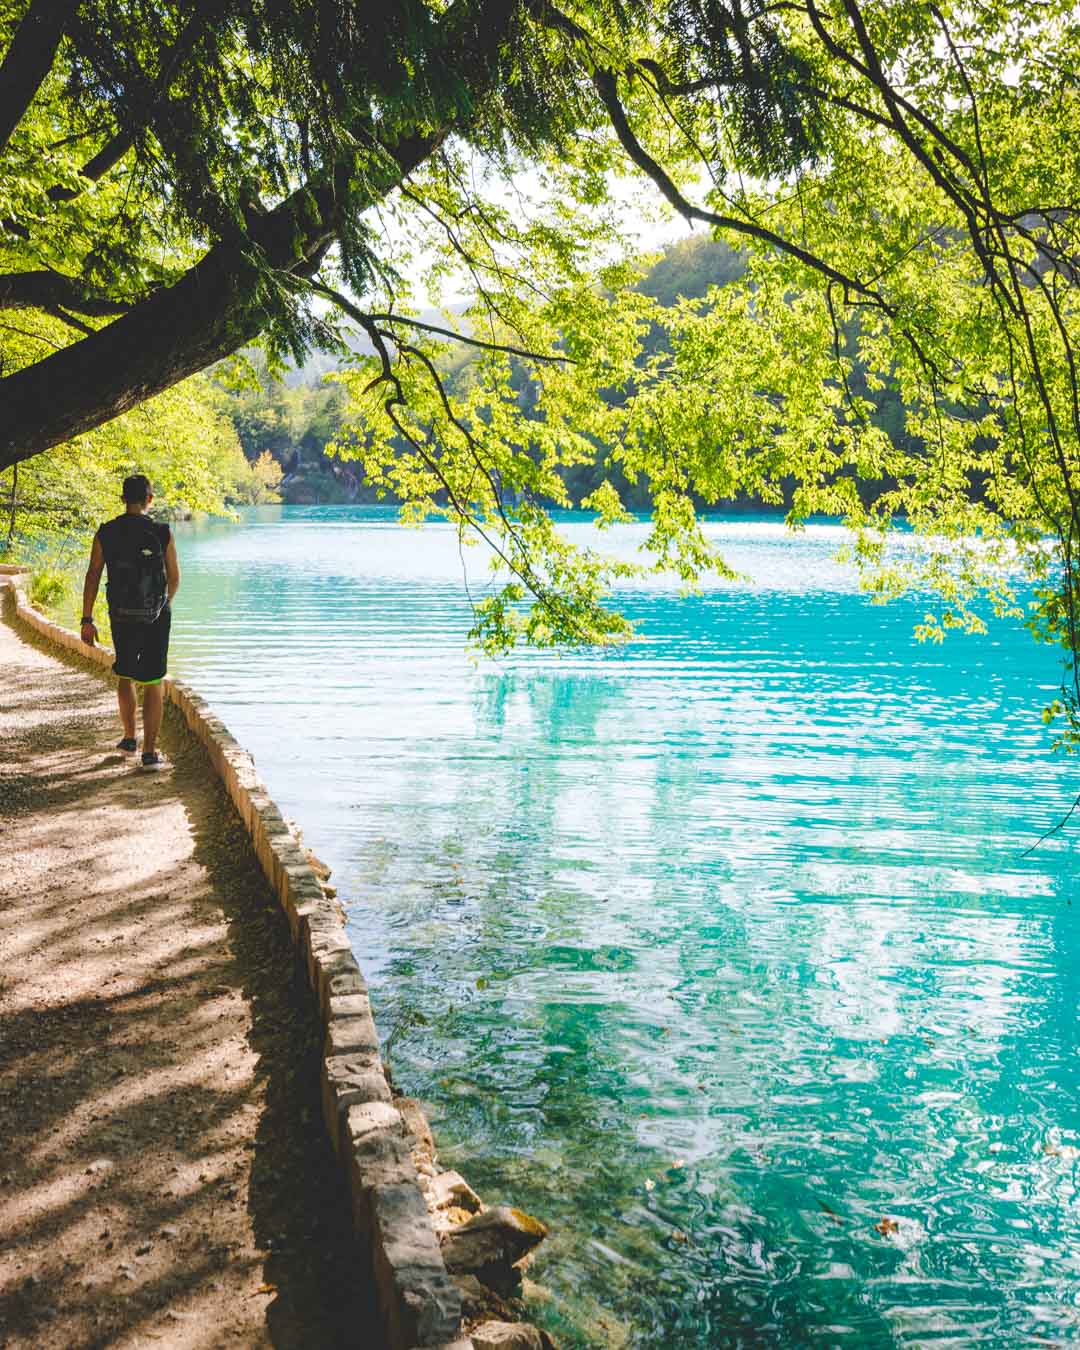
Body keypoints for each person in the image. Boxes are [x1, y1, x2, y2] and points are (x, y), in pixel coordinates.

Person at [80, 473, 181, 771]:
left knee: (125, 673)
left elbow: (93, 575)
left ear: (123, 498)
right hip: (157, 616)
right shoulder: (162, 532)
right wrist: (162, 607)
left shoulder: (106, 532)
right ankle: (149, 753)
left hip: (121, 615)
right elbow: (174, 579)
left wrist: (87, 618)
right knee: (152, 681)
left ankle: (129, 738)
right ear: (149, 499)